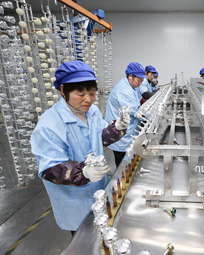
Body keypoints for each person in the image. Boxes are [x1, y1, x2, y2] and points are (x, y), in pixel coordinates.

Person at [31, 61, 130, 232]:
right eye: (80, 93)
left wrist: (117, 128)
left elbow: (99, 138)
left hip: (98, 189)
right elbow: (49, 169)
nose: (88, 99)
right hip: (75, 200)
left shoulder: (92, 112)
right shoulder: (49, 125)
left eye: (92, 94)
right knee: (82, 239)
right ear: (63, 90)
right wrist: (82, 172)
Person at [105, 62, 145, 167]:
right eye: (139, 80)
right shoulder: (124, 90)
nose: (140, 83)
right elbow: (137, 112)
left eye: (142, 80)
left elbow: (138, 103)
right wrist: (153, 115)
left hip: (129, 129)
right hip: (120, 133)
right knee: (122, 164)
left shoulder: (132, 86)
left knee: (129, 160)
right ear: (130, 76)